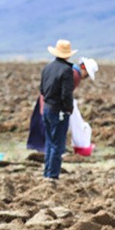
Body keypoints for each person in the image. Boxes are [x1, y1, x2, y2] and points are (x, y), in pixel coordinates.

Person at [27, 56, 98, 153]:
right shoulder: (74, 75)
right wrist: (68, 109)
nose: (86, 77)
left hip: (46, 98)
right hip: (54, 103)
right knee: (55, 127)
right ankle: (52, 150)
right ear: (84, 68)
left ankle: (47, 148)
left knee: (45, 124)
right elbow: (66, 93)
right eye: (87, 75)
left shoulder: (68, 69)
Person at [38, 39, 79, 179]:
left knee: (50, 143)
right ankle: (53, 176)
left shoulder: (47, 68)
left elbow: (42, 90)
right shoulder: (67, 70)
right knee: (57, 145)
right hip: (58, 111)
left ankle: (47, 173)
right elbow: (66, 94)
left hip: (47, 108)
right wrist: (68, 109)